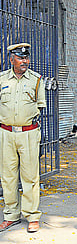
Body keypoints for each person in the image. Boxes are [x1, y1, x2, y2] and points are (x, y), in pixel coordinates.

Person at [0, 43, 46, 233]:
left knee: (30, 176)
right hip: (6, 133)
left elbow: (40, 106)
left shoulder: (36, 80)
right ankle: (11, 215)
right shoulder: (2, 79)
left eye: (26, 58)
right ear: (11, 59)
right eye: (20, 58)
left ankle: (32, 215)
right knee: (8, 176)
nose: (25, 61)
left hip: (28, 133)